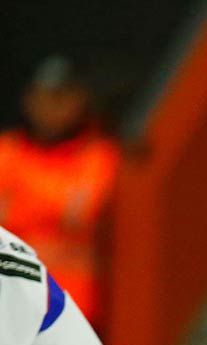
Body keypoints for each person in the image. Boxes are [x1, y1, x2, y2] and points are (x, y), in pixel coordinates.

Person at [0, 58, 123, 330]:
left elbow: (77, 213)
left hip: (71, 310)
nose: (48, 108)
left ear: (81, 100)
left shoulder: (99, 156)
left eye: (60, 98)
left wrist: (24, 204)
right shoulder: (7, 151)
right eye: (40, 97)